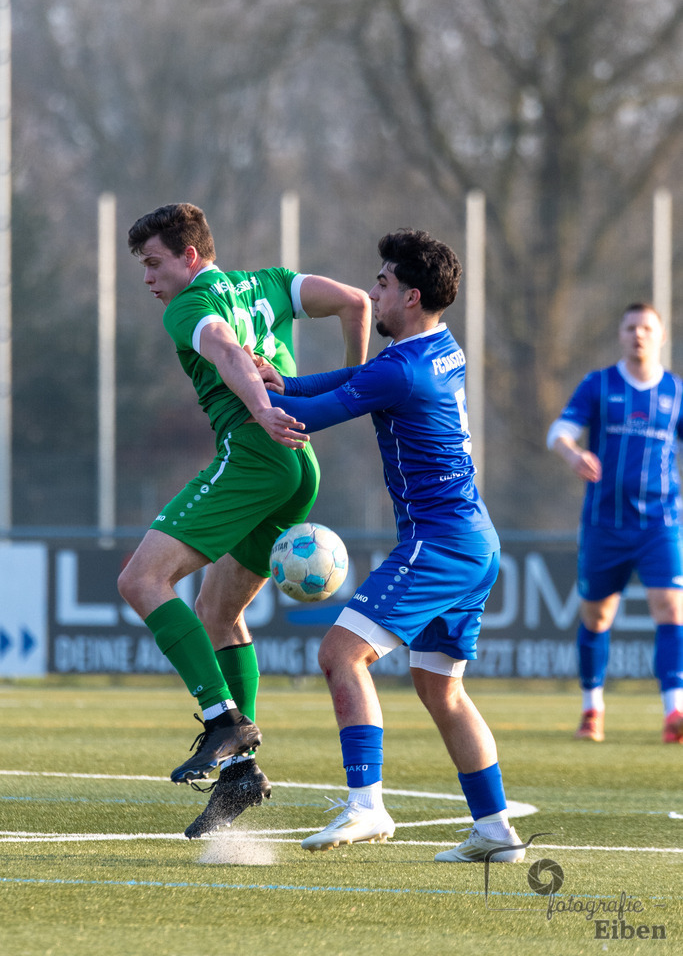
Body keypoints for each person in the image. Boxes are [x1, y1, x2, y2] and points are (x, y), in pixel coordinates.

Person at [259, 228, 525, 863]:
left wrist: (258, 394)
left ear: (408, 295)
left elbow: (315, 418)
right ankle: (494, 830)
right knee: (441, 690)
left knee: (340, 656)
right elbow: (359, 375)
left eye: (380, 284)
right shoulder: (438, 349)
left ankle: (367, 805)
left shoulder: (403, 370)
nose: (371, 294)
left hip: (439, 542)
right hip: (473, 539)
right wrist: (286, 380)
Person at [119, 203, 371, 837]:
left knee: (141, 582)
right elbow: (356, 304)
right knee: (218, 614)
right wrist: (355, 388)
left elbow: (228, 350)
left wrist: (259, 409)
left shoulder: (187, 307)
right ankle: (240, 777)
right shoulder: (269, 282)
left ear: (191, 257)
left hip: (256, 454)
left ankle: (222, 722)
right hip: (299, 464)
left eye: (154, 264)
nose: (148, 279)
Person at [547, 303, 683, 744]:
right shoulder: (599, 385)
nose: (638, 334)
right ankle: (592, 708)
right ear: (620, 335)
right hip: (605, 522)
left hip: (661, 521)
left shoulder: (676, 393)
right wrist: (573, 455)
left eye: (647, 328)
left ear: (661, 336)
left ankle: (674, 712)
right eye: (630, 327)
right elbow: (559, 433)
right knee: (598, 616)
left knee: (671, 608)